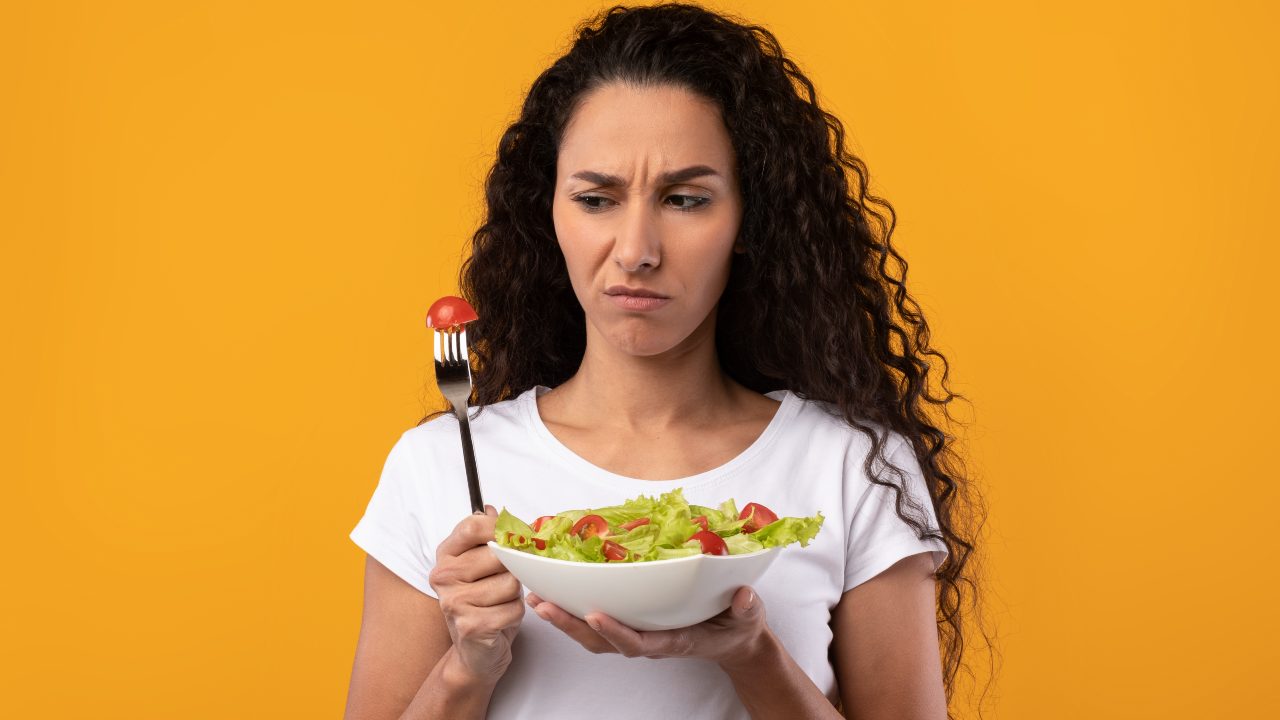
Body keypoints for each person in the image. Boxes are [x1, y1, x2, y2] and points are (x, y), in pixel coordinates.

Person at [344, 4, 988, 719]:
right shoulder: (437, 467)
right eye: (596, 199)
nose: (635, 249)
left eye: (685, 199)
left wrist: (751, 653)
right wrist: (468, 667)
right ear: (548, 213)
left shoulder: (853, 468)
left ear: (749, 220)